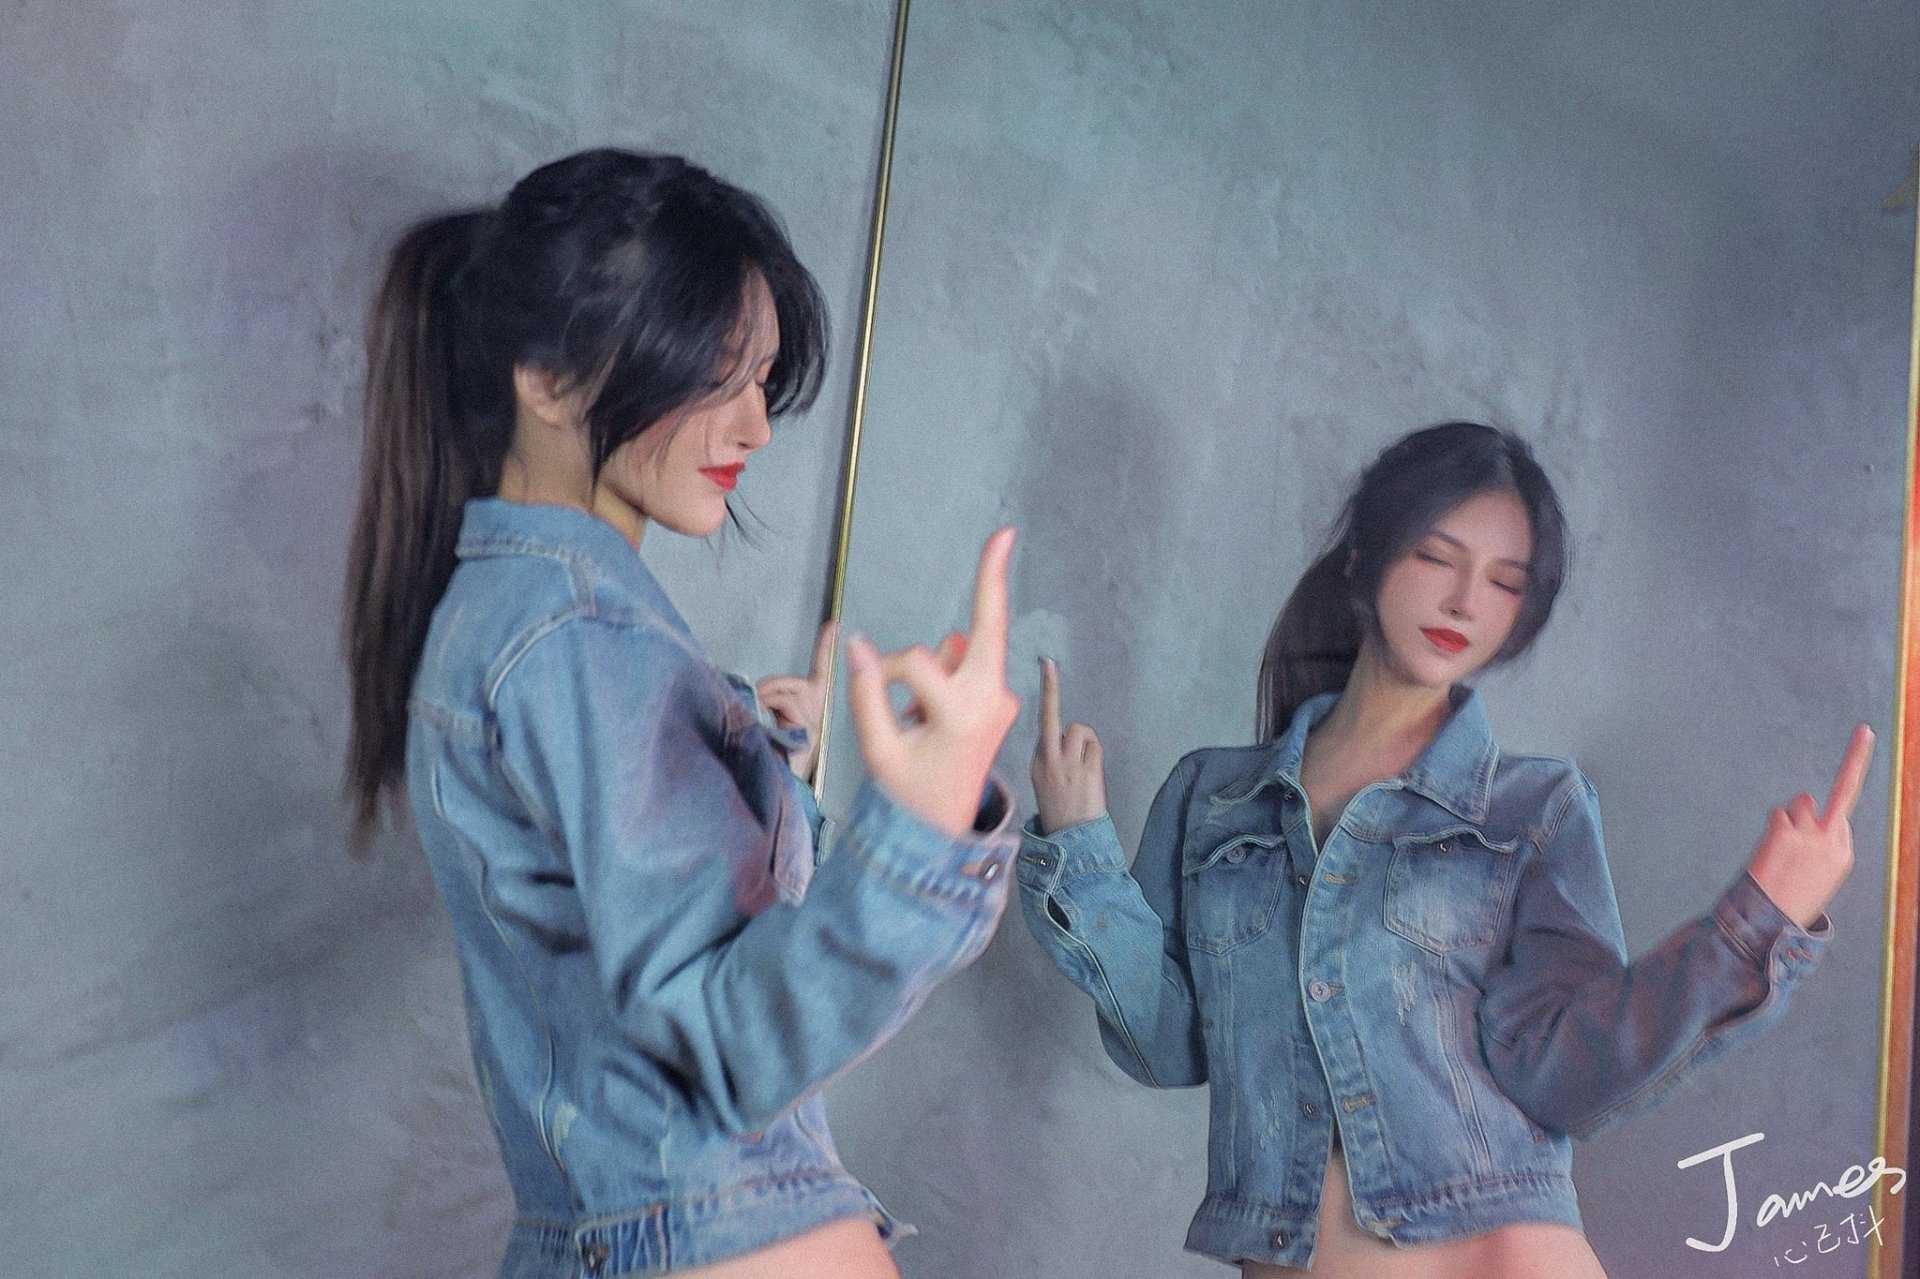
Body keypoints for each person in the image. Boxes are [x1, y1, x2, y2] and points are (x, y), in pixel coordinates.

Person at [341, 148, 1022, 1279]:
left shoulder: (518, 622)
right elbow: (729, 1035)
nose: (756, 426)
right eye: (713, 374)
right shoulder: (576, 634)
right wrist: (926, 829)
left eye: (763, 380)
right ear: (548, 378)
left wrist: (756, 755)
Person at [1018, 421, 1872, 1277]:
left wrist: (1757, 924)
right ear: (1365, 558)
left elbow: (1566, 1074)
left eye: (1504, 582)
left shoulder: (1533, 809)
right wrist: (1079, 852)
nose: (1465, 601)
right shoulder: (1215, 797)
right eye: (1437, 557)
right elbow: (1166, 1045)